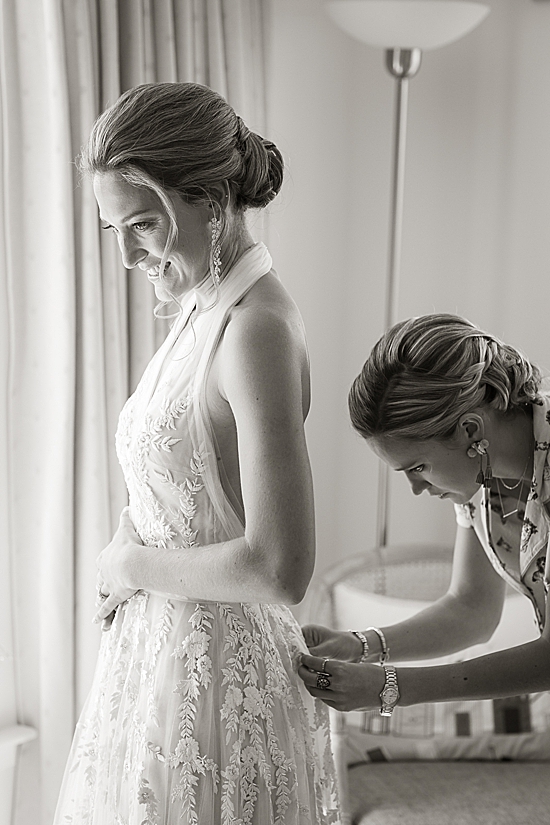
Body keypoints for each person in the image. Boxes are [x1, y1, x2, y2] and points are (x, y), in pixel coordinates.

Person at [54, 82, 340, 824]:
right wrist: (130, 528)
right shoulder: (200, 304)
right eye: (112, 228)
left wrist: (129, 565)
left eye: (142, 224)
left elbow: (282, 566)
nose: (126, 254)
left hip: (222, 684)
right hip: (160, 668)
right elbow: (189, 470)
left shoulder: (255, 329)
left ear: (211, 203)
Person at [298, 313, 550, 719]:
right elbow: (471, 610)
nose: (416, 489)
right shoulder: (480, 476)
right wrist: (360, 644)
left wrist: (392, 686)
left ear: (470, 431)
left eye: (418, 468)